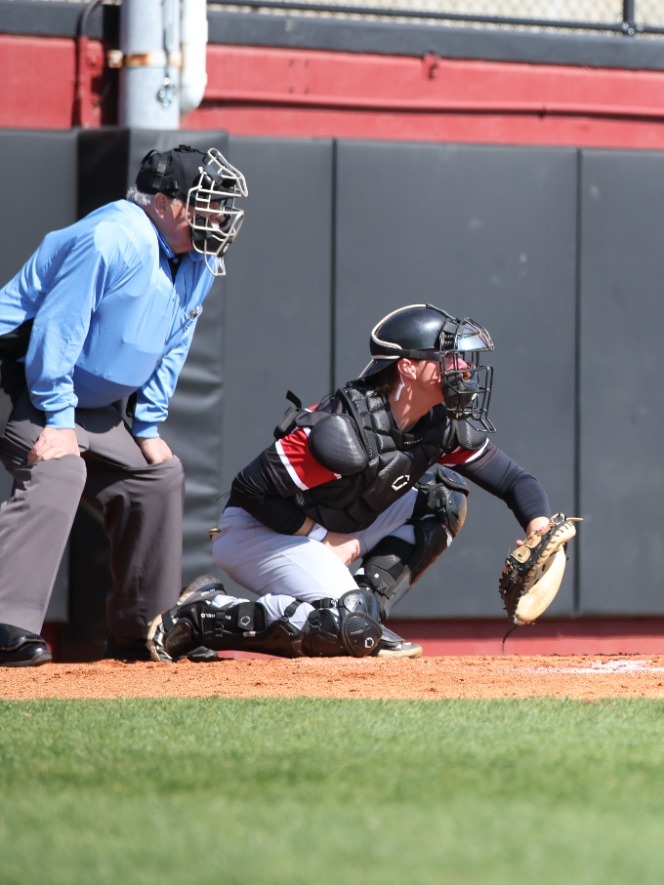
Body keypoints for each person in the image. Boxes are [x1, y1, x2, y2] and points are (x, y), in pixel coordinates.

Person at [146, 304, 554, 661]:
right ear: (408, 367)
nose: (462, 367)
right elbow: (250, 491)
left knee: (441, 500)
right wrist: (322, 538)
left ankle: (362, 615)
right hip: (258, 531)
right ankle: (203, 615)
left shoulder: (439, 424)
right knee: (344, 625)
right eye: (447, 357)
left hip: (335, 525)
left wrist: (540, 528)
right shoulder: (344, 429)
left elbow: (514, 480)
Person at [0, 145, 246, 668]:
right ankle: (6, 622)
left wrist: (148, 424)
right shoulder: (113, 236)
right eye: (204, 204)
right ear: (161, 203)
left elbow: (174, 343)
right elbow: (56, 330)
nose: (217, 217)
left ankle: (143, 631)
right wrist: (58, 420)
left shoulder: (200, 258)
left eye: (220, 206)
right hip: (19, 375)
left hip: (81, 397)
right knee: (61, 469)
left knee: (158, 478)